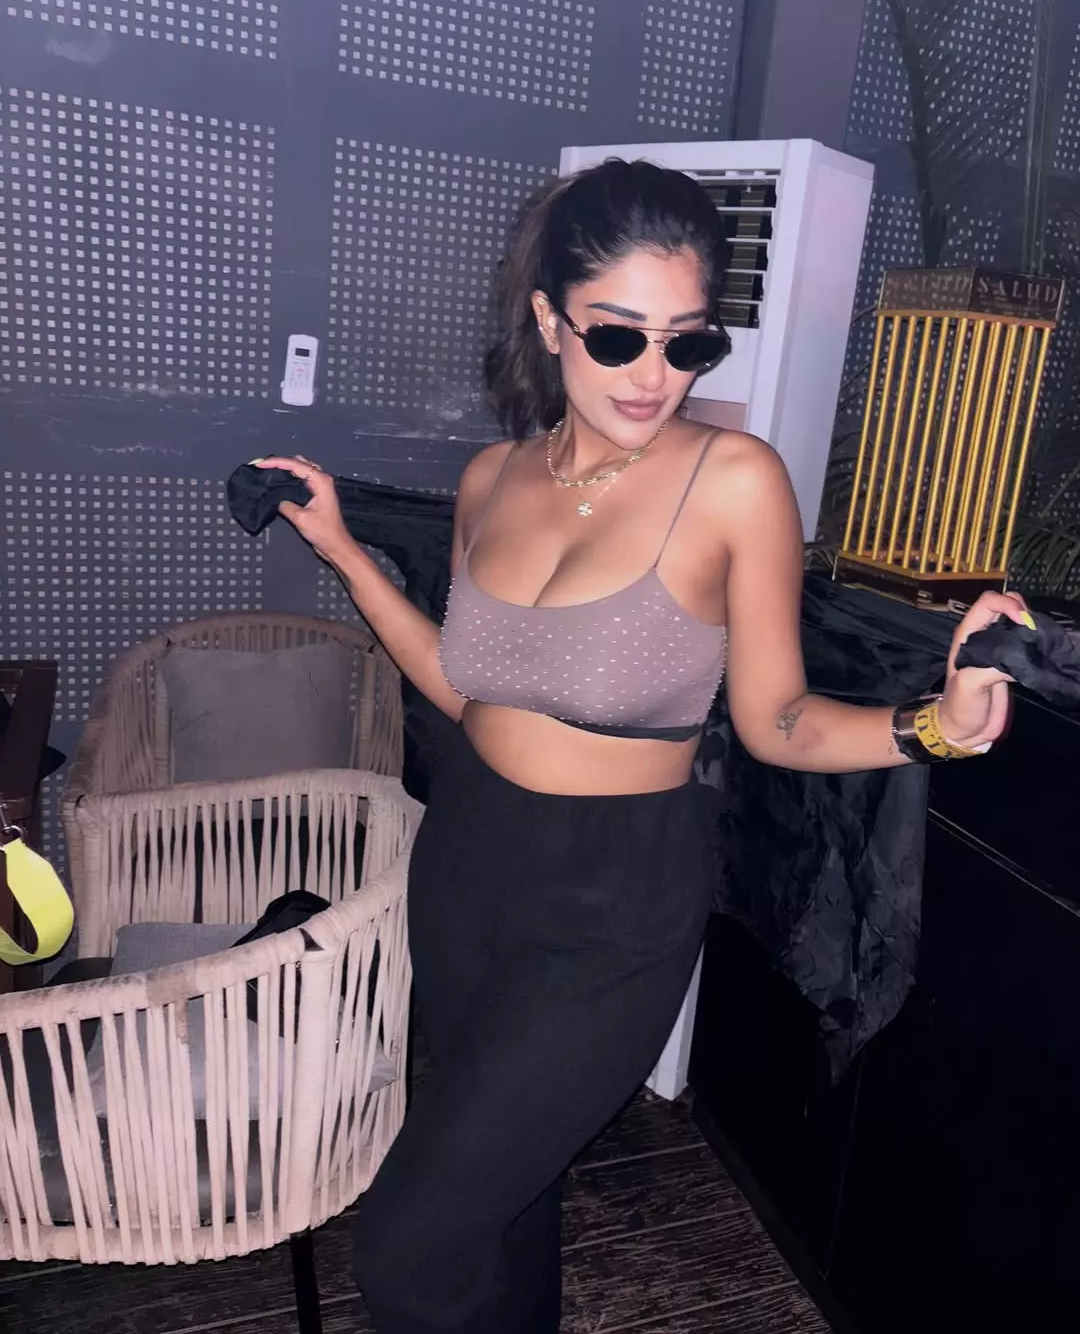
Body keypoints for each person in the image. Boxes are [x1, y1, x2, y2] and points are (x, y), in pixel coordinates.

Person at [255, 159, 1028, 1332]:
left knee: (412, 1246)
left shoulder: (733, 483)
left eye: (687, 343)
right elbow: (466, 691)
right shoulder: (490, 479)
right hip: (466, 870)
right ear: (549, 320)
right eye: (619, 338)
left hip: (615, 906)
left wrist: (938, 727)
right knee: (508, 1204)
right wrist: (348, 553)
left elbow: (778, 721)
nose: (655, 376)